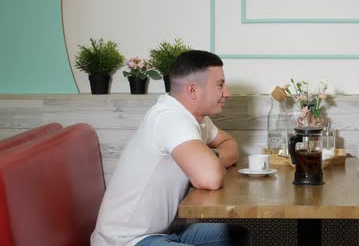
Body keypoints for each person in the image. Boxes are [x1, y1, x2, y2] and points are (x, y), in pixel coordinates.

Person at [91, 50, 251, 246]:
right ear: (193, 90)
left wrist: (208, 158)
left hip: (162, 232)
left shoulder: (196, 118)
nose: (227, 92)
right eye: (220, 85)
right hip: (125, 241)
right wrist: (206, 164)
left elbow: (230, 146)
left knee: (236, 235)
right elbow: (210, 178)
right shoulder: (171, 118)